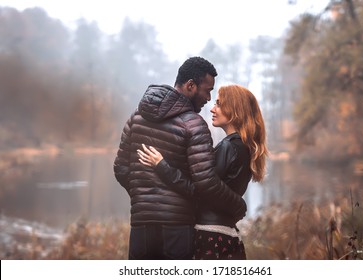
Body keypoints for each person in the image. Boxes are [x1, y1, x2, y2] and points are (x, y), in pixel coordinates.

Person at [113, 57, 247, 260]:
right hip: (178, 227)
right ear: (191, 86)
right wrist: (238, 205)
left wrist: (143, 195)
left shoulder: (136, 117)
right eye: (207, 90)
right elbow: (206, 184)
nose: (209, 98)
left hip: (141, 224)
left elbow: (120, 169)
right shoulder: (194, 124)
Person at [138, 84, 268, 259]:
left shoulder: (229, 147)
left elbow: (199, 190)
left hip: (211, 235)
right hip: (228, 234)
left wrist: (161, 165)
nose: (213, 109)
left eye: (220, 104)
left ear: (235, 110)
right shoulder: (243, 147)